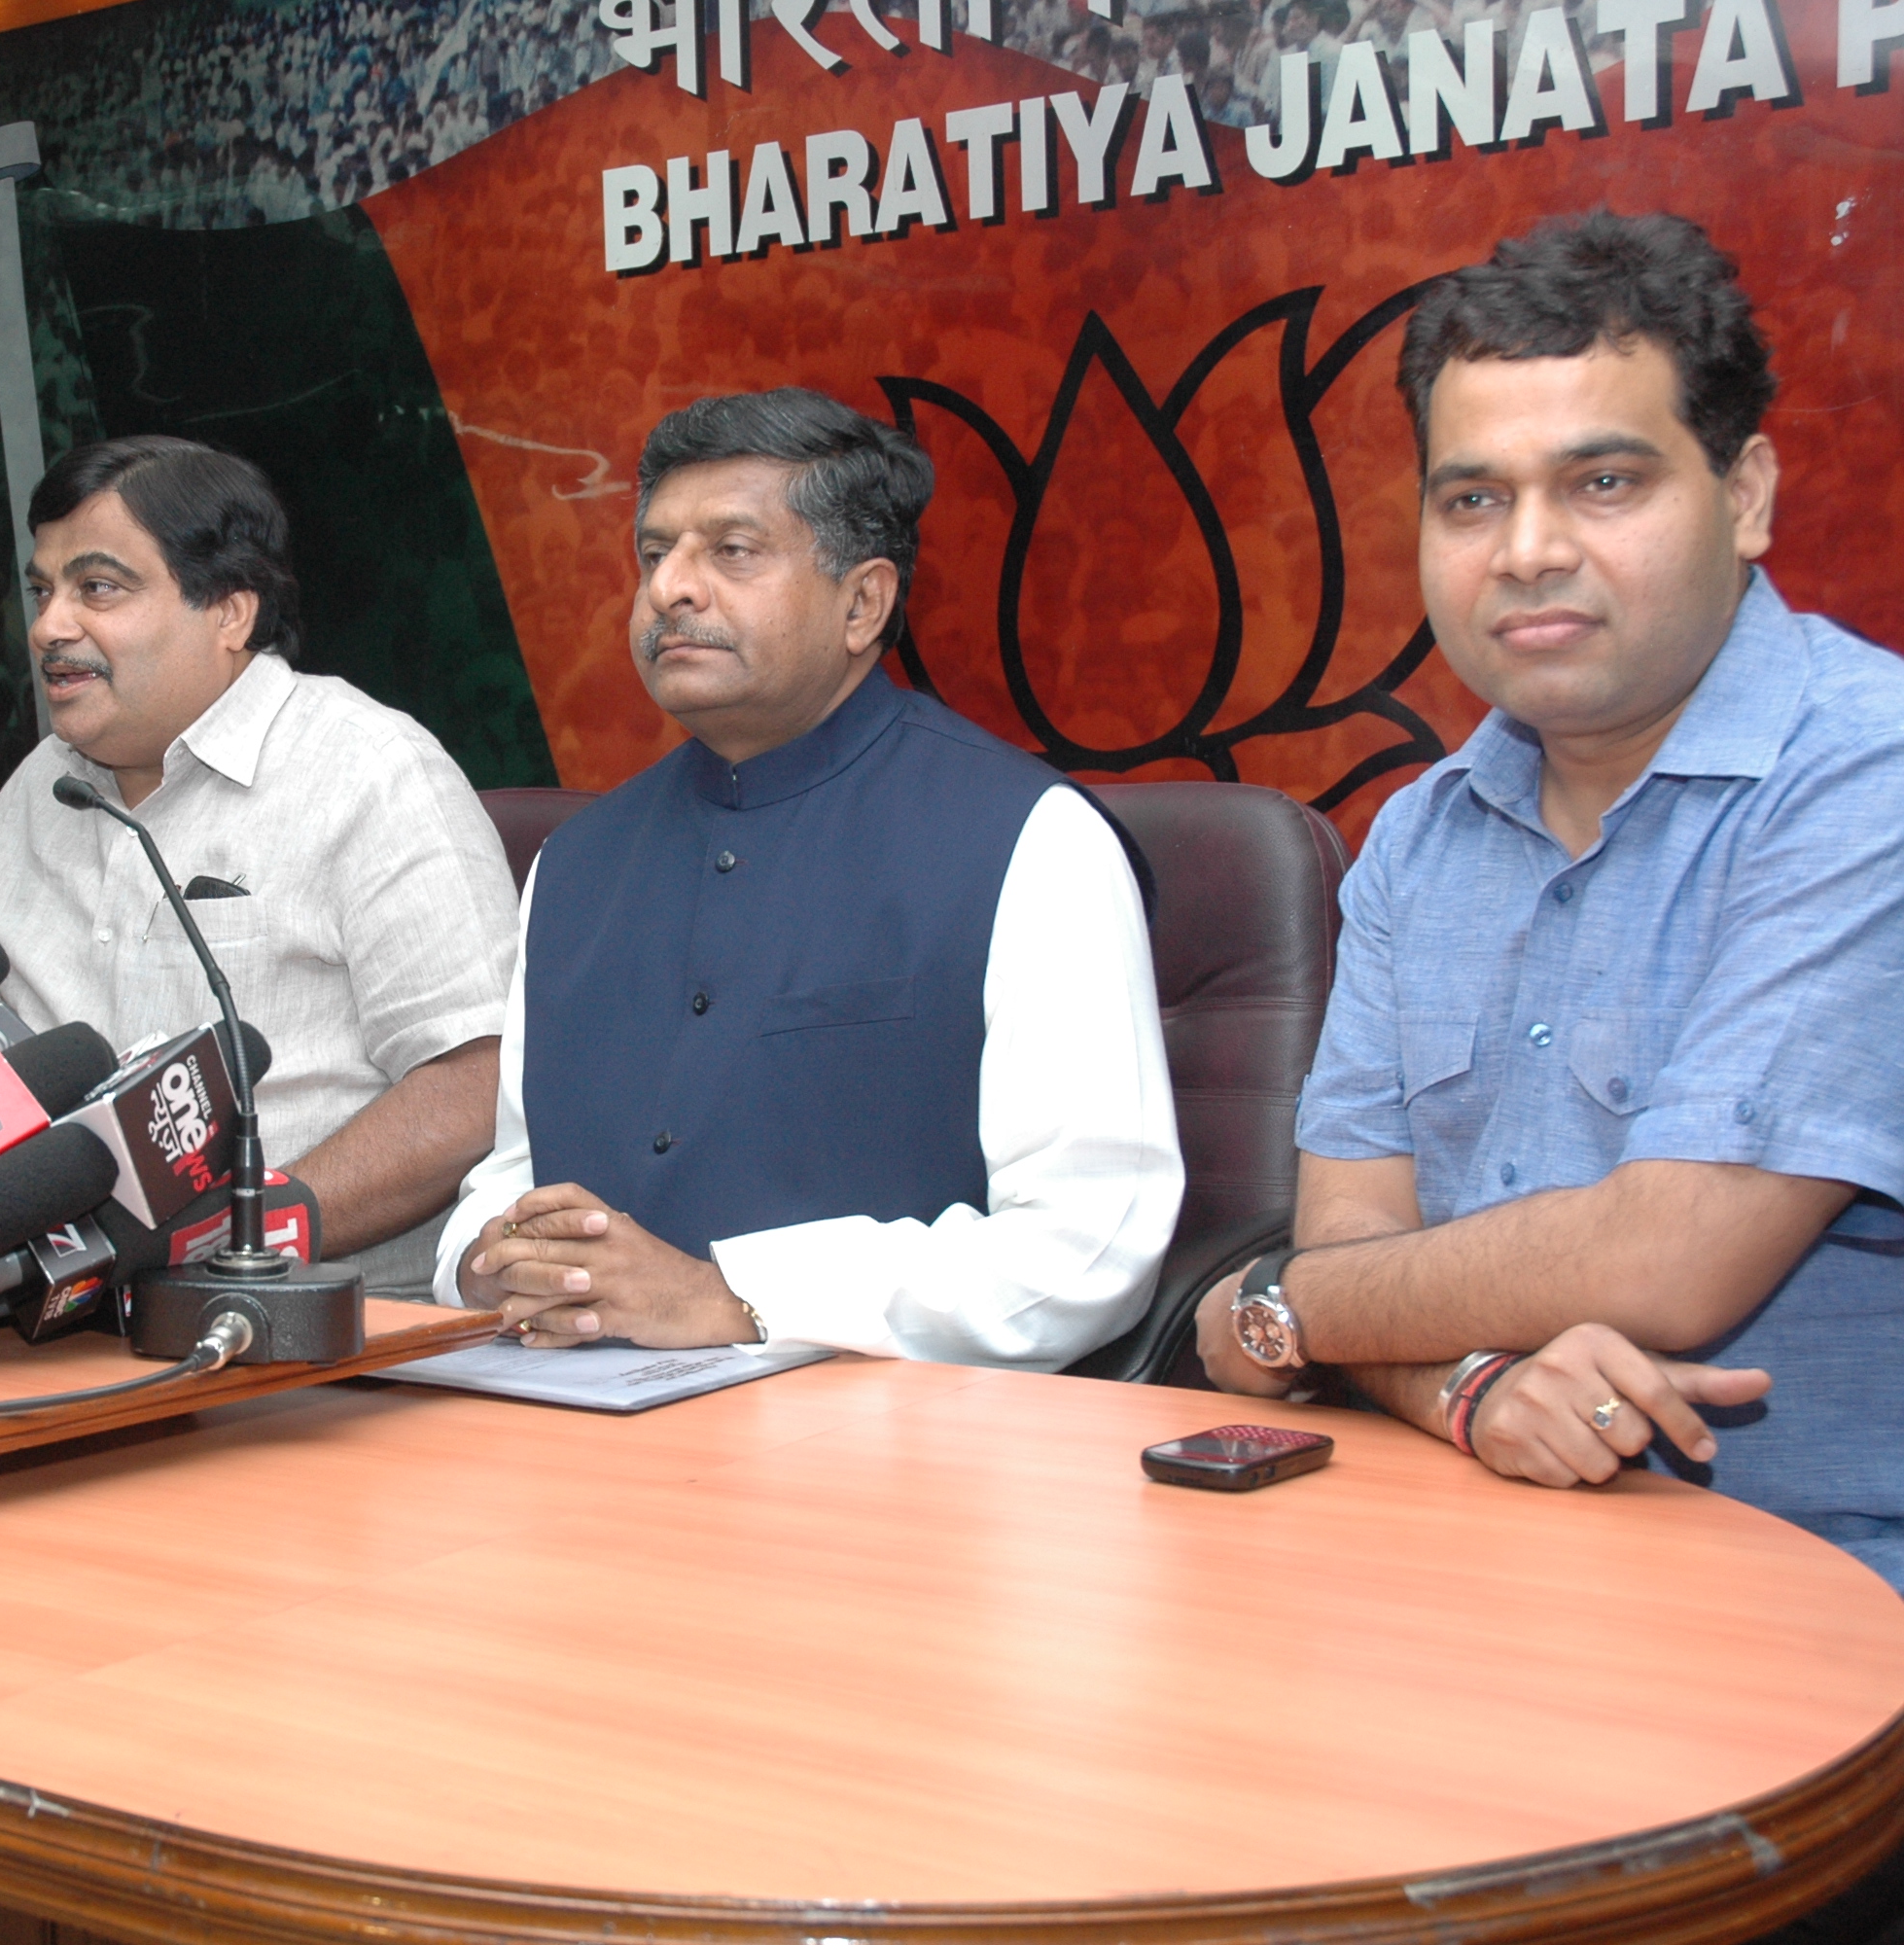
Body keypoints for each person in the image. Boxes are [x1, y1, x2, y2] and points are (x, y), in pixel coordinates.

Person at [1194, 211, 1904, 1591]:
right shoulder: (1417, 835)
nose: (1525, 550)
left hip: (1821, 1587)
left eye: (1603, 483)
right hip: (1455, 1551)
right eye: (1472, 500)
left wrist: (1268, 1306)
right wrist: (1458, 1381)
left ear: (1745, 495)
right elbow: (1354, 1250)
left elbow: (1665, 1261)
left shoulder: (1867, 774)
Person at [441, 389, 1182, 1362]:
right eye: (655, 552)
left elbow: (1087, 1244)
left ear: (862, 602)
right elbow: (511, 1170)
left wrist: (734, 1297)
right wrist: (494, 1256)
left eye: (731, 550)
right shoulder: (574, 865)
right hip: (576, 1431)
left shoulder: (1027, 841)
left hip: (897, 1460)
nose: (672, 587)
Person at [0, 436, 514, 1295]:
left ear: (230, 610)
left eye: (98, 589)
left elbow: (472, 1086)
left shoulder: (369, 771)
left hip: (331, 1343)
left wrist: (241, 1231)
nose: (49, 627)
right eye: (43, 590)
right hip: (66, 1318)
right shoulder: (36, 793)